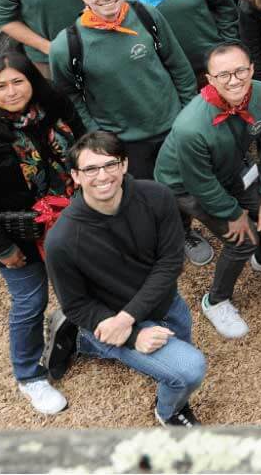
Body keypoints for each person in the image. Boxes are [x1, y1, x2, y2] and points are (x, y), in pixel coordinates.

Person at [0, 51, 84, 415]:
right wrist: (2, 248)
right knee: (30, 301)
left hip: (70, 216)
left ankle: (87, 334)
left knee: (84, 281)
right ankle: (29, 376)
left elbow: (84, 143)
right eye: (1, 86)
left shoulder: (53, 104)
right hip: (17, 233)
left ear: (32, 81)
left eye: (18, 82)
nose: (11, 92)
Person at [44, 130, 207, 425]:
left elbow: (170, 262)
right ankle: (169, 411)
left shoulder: (157, 197)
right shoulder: (62, 240)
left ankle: (81, 341)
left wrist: (126, 320)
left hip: (162, 304)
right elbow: (76, 305)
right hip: (109, 317)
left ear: (124, 165)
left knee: (179, 355)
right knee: (189, 370)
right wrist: (131, 336)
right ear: (76, 176)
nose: (102, 176)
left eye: (110, 164)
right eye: (91, 169)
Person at [154, 41, 261, 341]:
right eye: (223, 75)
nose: (234, 80)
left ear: (252, 69)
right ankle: (216, 301)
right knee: (242, 238)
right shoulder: (191, 126)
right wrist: (233, 214)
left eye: (240, 71)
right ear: (210, 79)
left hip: (232, 166)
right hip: (185, 183)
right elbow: (200, 183)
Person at [46, 0, 196, 181]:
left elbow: (178, 64)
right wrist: (98, 135)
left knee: (192, 184)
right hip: (125, 142)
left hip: (175, 125)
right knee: (149, 196)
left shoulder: (147, 16)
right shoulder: (66, 46)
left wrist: (187, 112)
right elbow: (70, 97)